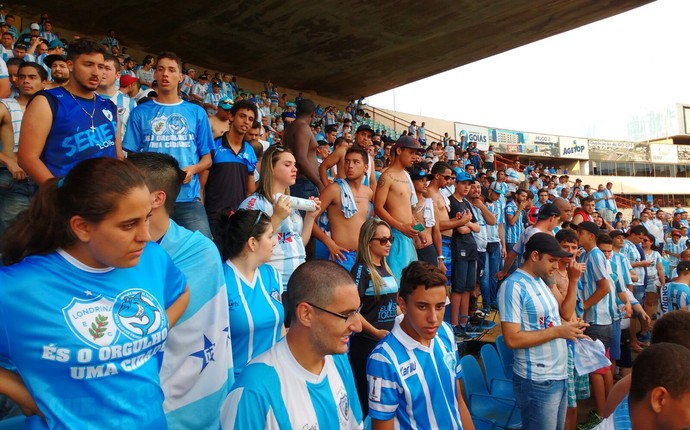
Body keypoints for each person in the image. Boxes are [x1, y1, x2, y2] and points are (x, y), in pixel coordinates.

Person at [0, 157, 189, 428]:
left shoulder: (151, 259)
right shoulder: (19, 289)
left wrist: (150, 334)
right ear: (83, 227)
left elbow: (181, 293)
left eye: (147, 218)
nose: (145, 235)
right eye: (128, 225)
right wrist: (21, 392)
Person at [128, 152, 232, 429]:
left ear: (156, 199)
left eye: (125, 183)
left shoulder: (200, 252)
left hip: (191, 397)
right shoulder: (107, 249)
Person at [220, 260, 363, 429]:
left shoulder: (339, 360)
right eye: (346, 315)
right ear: (306, 314)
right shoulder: (253, 392)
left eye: (357, 311)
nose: (357, 326)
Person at [366, 261, 474, 430]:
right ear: (402, 304)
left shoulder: (445, 332)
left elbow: (457, 399)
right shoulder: (384, 359)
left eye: (439, 307)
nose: (433, 318)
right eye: (422, 306)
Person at [499, 233, 588, 430]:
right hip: (537, 380)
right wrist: (559, 332)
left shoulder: (541, 280)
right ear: (535, 256)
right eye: (552, 260)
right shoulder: (512, 286)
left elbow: (555, 320)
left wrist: (573, 330)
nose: (556, 266)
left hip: (557, 373)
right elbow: (512, 339)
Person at [123, 51, 213, 238]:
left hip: (187, 199)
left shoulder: (197, 112)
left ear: (180, 77)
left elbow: (207, 159)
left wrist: (194, 169)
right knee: (144, 253)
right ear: (154, 74)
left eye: (172, 70)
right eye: (161, 69)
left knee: (204, 250)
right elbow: (131, 158)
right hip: (150, 199)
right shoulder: (140, 112)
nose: (165, 74)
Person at [18, 38, 120, 184]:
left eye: (101, 66)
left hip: (105, 197)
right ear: (70, 65)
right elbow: (27, 158)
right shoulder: (47, 102)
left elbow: (117, 155)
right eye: (88, 64)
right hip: (64, 200)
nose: (96, 72)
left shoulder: (109, 105)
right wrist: (59, 194)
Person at [239, 145, 320, 292]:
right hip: (271, 286)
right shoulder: (254, 203)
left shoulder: (292, 203)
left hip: (297, 284)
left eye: (294, 165)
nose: (295, 169)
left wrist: (310, 218)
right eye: (287, 165)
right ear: (271, 168)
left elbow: (297, 243)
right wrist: (276, 218)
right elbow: (246, 245)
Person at [216, 209, 284, 378]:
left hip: (275, 377)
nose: (274, 242)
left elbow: (281, 330)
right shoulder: (220, 281)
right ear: (252, 243)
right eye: (269, 236)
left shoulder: (273, 275)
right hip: (238, 383)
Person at [348, 219, 398, 417]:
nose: (389, 244)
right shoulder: (361, 269)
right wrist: (375, 331)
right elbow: (352, 310)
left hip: (385, 341)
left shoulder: (385, 268)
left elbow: (392, 306)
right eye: (383, 240)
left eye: (391, 239)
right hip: (367, 344)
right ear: (369, 242)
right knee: (368, 400)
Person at [312, 146, 373, 271]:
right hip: (340, 256)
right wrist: (329, 243)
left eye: (356, 162)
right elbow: (309, 219)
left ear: (365, 167)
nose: (350, 166)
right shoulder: (334, 189)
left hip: (362, 256)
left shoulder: (368, 193)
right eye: (347, 161)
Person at [202, 99, 258, 234]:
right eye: (242, 116)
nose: (246, 121)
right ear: (231, 117)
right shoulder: (214, 146)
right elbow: (201, 185)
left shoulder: (250, 151)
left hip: (237, 219)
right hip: (213, 218)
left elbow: (250, 191)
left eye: (250, 119)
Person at [374, 136, 422, 281]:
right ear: (399, 150)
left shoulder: (406, 175)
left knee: (410, 283)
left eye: (416, 154)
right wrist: (401, 227)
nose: (415, 157)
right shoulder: (387, 176)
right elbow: (378, 207)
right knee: (397, 282)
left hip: (408, 236)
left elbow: (406, 208)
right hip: (395, 236)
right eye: (411, 153)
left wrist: (419, 231)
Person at [448, 171, 480, 335]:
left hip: (470, 247)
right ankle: (454, 325)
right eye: (464, 183)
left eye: (469, 184)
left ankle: (464, 322)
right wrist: (467, 224)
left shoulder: (466, 204)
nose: (467, 187)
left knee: (468, 288)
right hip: (459, 247)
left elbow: (478, 227)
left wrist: (467, 223)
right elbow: (460, 229)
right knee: (458, 288)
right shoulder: (451, 202)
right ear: (456, 184)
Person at [283, 99, 325, 196]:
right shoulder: (303, 127)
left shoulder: (289, 128)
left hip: (300, 182)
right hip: (304, 183)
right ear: (313, 114)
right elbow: (300, 158)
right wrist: (319, 184)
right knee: (308, 212)